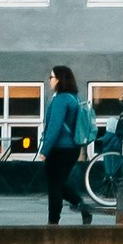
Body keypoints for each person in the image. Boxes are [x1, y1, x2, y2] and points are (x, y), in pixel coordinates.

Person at [41, 66, 87, 225]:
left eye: (51, 77)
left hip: (58, 149)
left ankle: (53, 223)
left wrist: (44, 150)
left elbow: (54, 127)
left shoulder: (60, 99)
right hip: (72, 149)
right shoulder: (75, 98)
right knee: (59, 184)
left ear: (59, 80)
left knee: (54, 187)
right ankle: (81, 205)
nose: (50, 80)